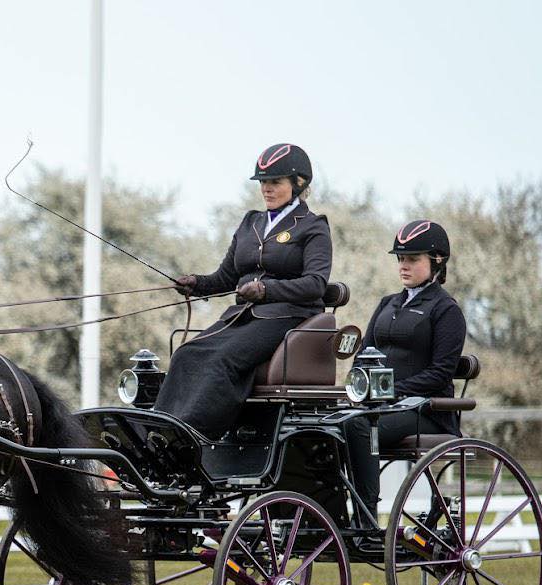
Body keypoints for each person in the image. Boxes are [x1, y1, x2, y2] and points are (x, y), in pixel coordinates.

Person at [154, 143, 332, 437]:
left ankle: (193, 437)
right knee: (186, 353)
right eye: (263, 182)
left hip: (287, 317)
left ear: (298, 184)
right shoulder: (252, 222)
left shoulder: (313, 227)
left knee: (223, 358)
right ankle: (160, 431)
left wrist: (266, 289)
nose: (266, 189)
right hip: (243, 316)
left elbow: (315, 284)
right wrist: (197, 284)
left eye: (275, 182)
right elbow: (226, 277)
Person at [345, 219, 467, 524]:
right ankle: (328, 515)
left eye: (413, 259)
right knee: (328, 426)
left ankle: (366, 519)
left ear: (437, 261)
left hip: (427, 410)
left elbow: (440, 373)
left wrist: (394, 391)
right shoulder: (387, 304)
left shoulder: (445, 310)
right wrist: (360, 386)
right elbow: (364, 354)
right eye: (400, 259)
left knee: (362, 426)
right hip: (380, 407)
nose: (403, 266)